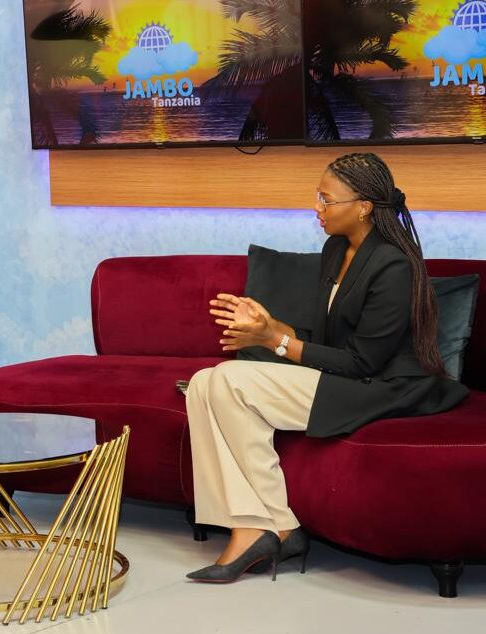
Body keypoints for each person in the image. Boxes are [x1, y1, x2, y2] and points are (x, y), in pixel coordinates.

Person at [185, 152, 468, 583]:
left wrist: (273, 341)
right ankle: (271, 527)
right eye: (318, 196)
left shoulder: (393, 265)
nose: (316, 207)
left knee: (226, 380)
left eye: (326, 199)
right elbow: (326, 341)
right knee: (203, 383)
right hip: (348, 375)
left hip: (384, 387)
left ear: (363, 206)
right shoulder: (337, 249)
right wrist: (268, 327)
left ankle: (265, 529)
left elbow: (361, 362)